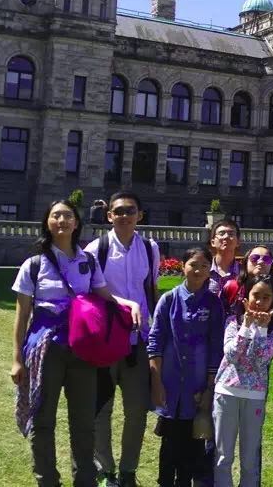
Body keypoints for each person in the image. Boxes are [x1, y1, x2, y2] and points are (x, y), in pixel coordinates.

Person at [11, 200, 142, 487]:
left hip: (83, 350)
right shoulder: (34, 265)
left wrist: (129, 303)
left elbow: (105, 295)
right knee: (43, 419)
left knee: (84, 422)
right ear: (47, 223)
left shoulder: (88, 261)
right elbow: (21, 316)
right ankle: (47, 480)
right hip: (46, 349)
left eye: (67, 216)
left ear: (76, 222)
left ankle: (85, 479)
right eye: (56, 215)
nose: (62, 220)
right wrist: (17, 359)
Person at [85, 191, 161, 487]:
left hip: (137, 341)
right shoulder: (96, 249)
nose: (125, 216)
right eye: (119, 211)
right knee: (101, 410)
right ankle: (105, 470)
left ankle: (128, 471)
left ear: (140, 215)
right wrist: (123, 304)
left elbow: (151, 289)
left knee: (136, 411)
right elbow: (90, 292)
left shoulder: (150, 248)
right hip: (106, 340)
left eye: (131, 210)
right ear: (109, 216)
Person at [148, 247, 225, 487]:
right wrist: (156, 382)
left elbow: (216, 347)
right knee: (169, 443)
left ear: (210, 270)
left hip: (197, 386)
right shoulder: (169, 299)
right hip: (170, 385)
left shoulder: (213, 304)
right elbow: (155, 341)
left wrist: (209, 388)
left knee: (192, 446)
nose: (198, 270)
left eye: (204, 266)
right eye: (193, 264)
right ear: (183, 266)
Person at [213, 273, 273, 487]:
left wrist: (261, 328)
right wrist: (246, 326)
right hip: (227, 392)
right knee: (223, 457)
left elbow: (260, 360)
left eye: (266, 297)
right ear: (246, 296)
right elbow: (232, 355)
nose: (260, 302)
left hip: (254, 396)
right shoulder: (232, 323)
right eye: (256, 295)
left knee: (250, 460)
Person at [208, 220, 242, 298]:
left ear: (238, 242)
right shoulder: (204, 270)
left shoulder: (244, 272)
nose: (226, 237)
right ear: (213, 242)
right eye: (221, 233)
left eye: (231, 234)